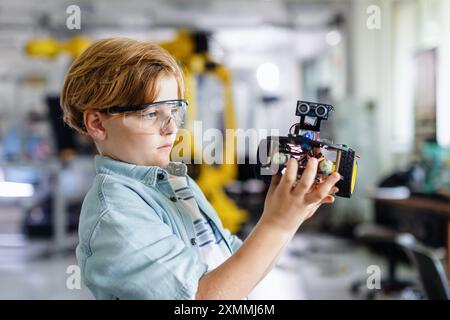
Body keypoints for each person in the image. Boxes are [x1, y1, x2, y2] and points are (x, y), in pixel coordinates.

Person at [60, 37, 341, 300]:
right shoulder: (116, 215)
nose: (171, 128)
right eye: (149, 114)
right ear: (97, 124)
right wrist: (277, 225)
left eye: (174, 111)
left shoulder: (176, 182)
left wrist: (290, 216)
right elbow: (198, 299)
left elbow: (235, 269)